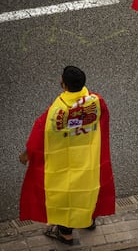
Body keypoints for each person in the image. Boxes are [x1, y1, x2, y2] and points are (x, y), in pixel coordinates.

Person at [19, 66, 116, 245]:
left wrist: (27, 154)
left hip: (64, 164)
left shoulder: (57, 110)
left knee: (65, 198)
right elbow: (103, 122)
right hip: (89, 161)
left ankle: (66, 234)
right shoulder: (96, 101)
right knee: (87, 192)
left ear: (63, 84)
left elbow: (40, 134)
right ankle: (88, 220)